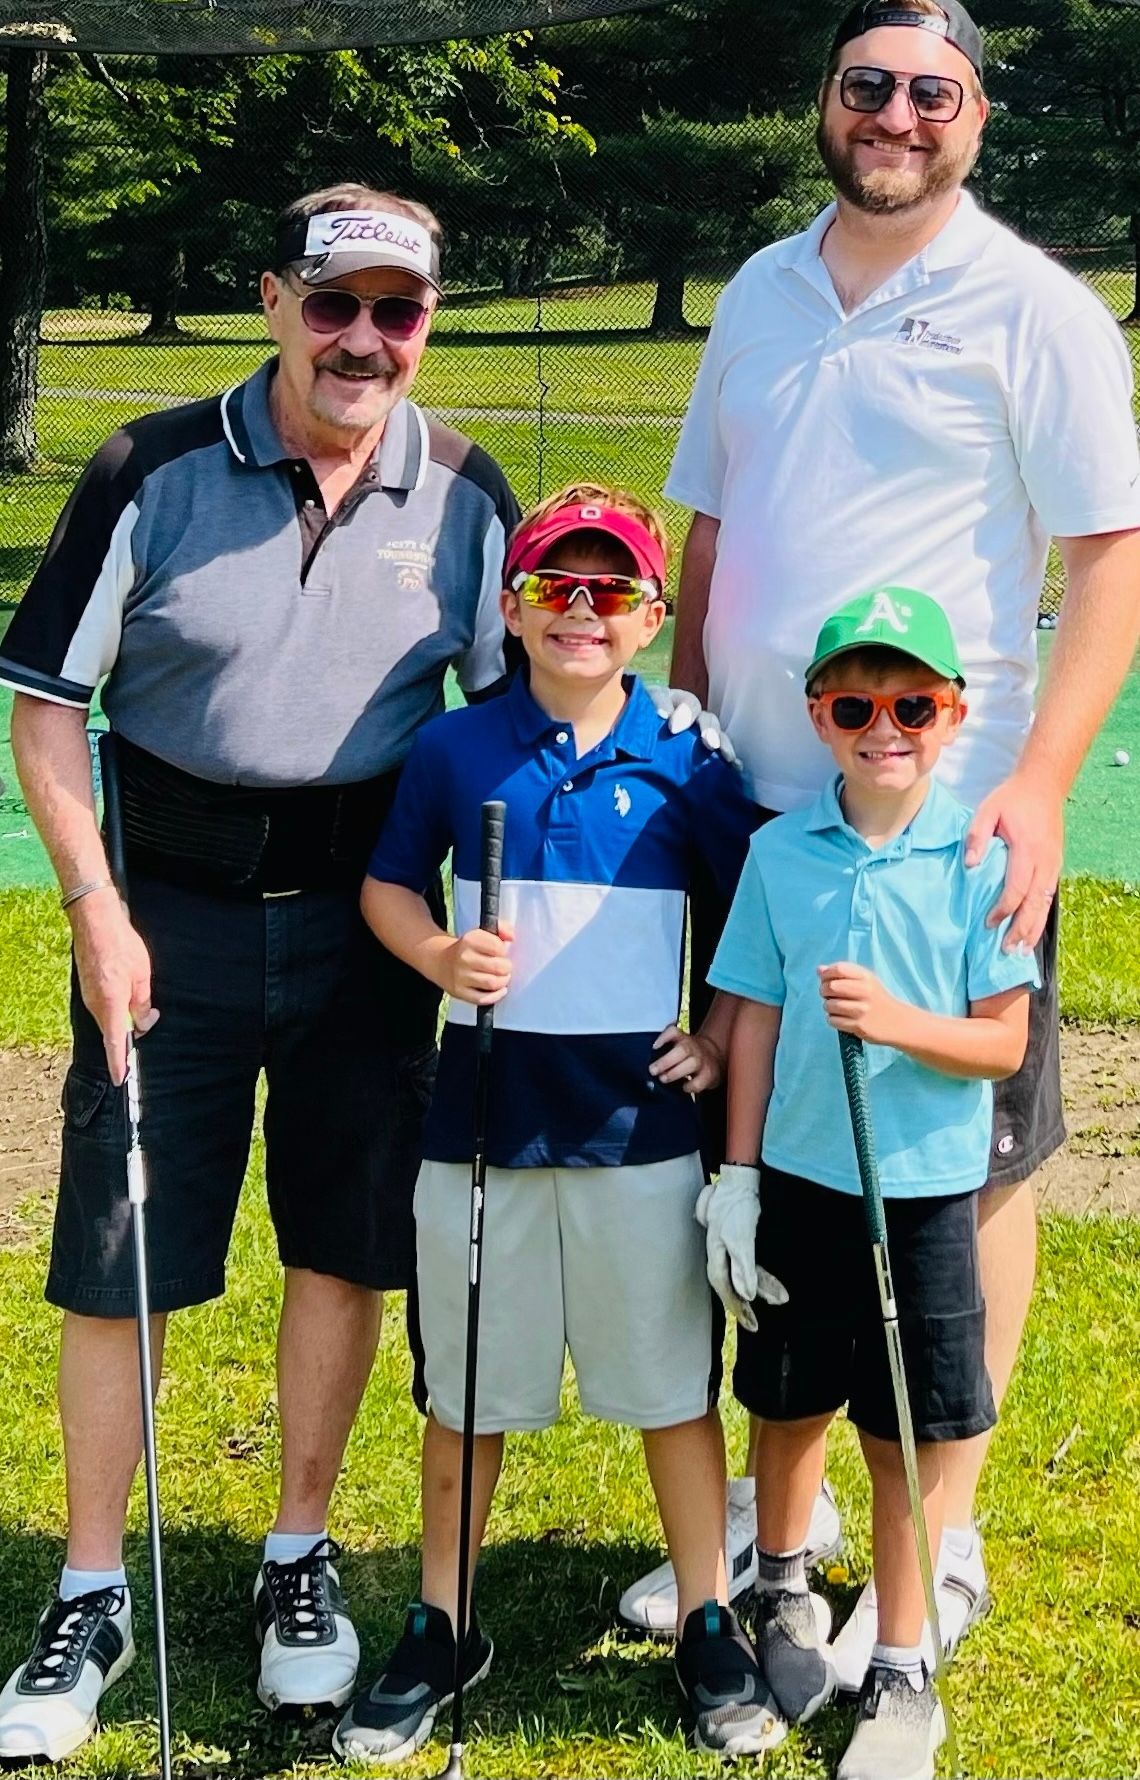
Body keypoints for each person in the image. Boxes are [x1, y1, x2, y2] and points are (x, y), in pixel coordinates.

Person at [620, 0, 1140, 1675]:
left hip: (943, 810)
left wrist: (1041, 779)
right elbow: (707, 534)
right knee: (769, 1149)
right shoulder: (762, 291)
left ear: (978, 114)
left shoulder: (1037, 310)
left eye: (932, 90)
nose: (896, 114)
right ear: (825, 104)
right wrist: (685, 729)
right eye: (867, 86)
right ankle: (796, 1523)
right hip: (757, 806)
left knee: (962, 1157)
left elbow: (1109, 554)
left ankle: (951, 1519)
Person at [0, 183, 521, 1759]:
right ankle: (93, 1585)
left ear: (427, 326)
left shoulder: (467, 494)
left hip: (370, 914)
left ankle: (299, 1554)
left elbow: (500, 725)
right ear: (273, 300)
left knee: (344, 1244)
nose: (365, 338)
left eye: (399, 312)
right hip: (168, 913)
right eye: (335, 303)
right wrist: (96, 908)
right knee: (123, 1250)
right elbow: (44, 707)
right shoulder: (145, 468)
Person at [335, 485, 787, 1765]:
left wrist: (708, 1028)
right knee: (468, 1389)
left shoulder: (688, 759)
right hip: (480, 1131)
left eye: (610, 592)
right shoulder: (455, 750)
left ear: (652, 616)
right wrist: (437, 956)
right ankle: (443, 1615)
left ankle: (708, 1615)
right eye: (554, 588)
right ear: (515, 609)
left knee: (665, 1387)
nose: (580, 612)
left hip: (640, 1134)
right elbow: (383, 884)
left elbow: (752, 916)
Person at [705, 587, 1039, 1778]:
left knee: (904, 1435)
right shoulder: (778, 850)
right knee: (786, 1404)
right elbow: (746, 1017)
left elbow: (1001, 1044)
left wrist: (901, 1023)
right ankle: (783, 1591)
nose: (883, 725)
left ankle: (902, 1663)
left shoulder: (979, 858)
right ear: (819, 714)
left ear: (953, 714)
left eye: (912, 704)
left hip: (925, 1193)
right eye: (856, 704)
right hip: (799, 1177)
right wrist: (735, 1178)